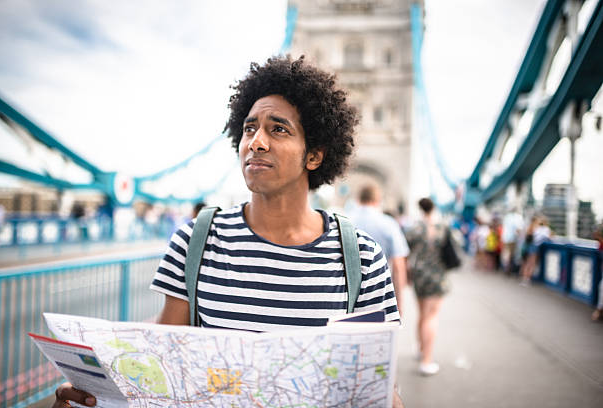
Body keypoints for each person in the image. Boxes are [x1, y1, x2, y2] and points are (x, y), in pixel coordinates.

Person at [52, 55, 404, 407]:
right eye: (249, 128)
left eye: (278, 129)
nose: (256, 142)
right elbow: (160, 379)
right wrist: (99, 397)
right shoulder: (195, 241)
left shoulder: (362, 258)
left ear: (313, 156)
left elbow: (376, 391)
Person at [405, 198, 451, 376]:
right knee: (432, 316)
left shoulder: (415, 228)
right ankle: (426, 361)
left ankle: (420, 348)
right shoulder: (443, 227)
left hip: (419, 275)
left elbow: (405, 249)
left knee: (422, 314)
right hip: (437, 276)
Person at [349, 183, 410, 315]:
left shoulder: (346, 221)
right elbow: (399, 266)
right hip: (379, 291)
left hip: (347, 292)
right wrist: (399, 302)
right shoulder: (389, 224)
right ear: (377, 200)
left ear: (359, 198)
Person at [501, 207, 524, 275]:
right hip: (512, 239)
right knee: (511, 254)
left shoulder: (507, 217)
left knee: (506, 253)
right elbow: (518, 229)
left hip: (505, 238)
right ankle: (508, 269)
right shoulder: (518, 217)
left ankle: (506, 267)